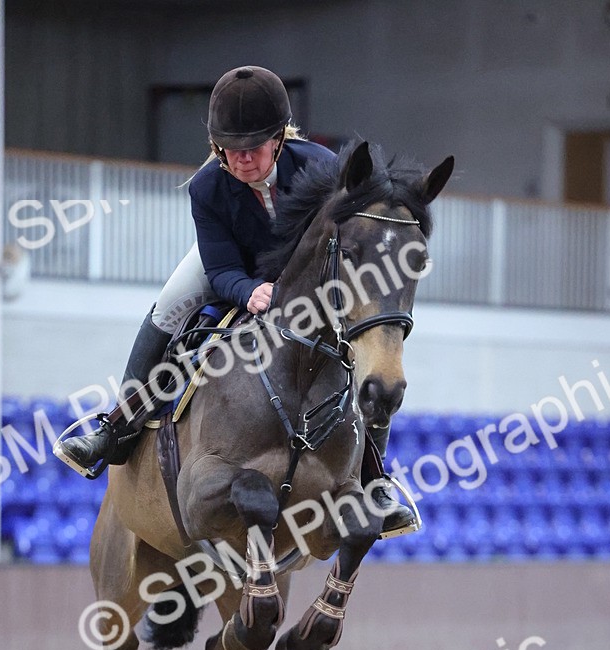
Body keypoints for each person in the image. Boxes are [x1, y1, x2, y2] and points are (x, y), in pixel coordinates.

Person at [54, 66, 414, 533]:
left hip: (301, 277)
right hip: (234, 267)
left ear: (280, 140)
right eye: (230, 151)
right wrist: (249, 291)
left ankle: (373, 478)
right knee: (167, 307)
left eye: (253, 149)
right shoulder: (207, 186)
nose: (241, 160)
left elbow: (346, 240)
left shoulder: (322, 168)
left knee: (372, 343)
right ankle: (115, 429)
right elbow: (220, 268)